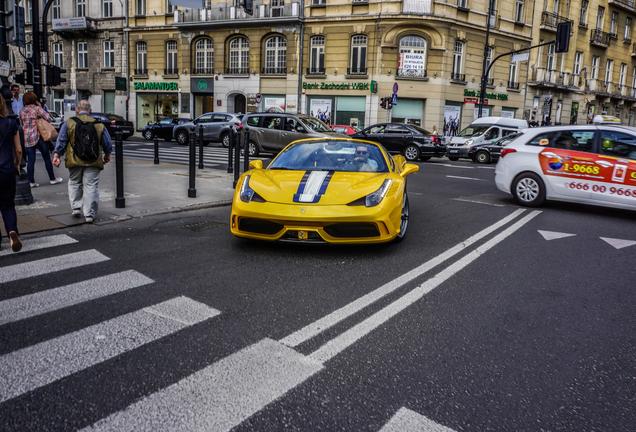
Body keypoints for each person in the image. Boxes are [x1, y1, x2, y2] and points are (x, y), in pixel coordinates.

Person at [53, 100, 112, 223]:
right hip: (94, 160)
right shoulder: (99, 124)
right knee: (91, 185)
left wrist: (57, 154)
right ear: (90, 110)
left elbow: (62, 141)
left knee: (74, 182)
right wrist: (107, 155)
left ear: (77, 110)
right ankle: (89, 214)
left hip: (74, 160)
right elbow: (107, 143)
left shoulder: (69, 123)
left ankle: (76, 208)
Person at [19, 92, 63, 188]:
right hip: (38, 137)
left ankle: (31, 181)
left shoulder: (22, 111)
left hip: (27, 138)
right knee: (46, 158)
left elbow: (21, 124)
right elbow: (49, 118)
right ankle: (52, 179)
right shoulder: (37, 109)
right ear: (33, 99)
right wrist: (40, 107)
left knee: (31, 161)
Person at [0, 95, 23, 252]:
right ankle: (12, 231)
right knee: (8, 205)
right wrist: (17, 164)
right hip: (7, 169)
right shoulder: (11, 123)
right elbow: (19, 149)